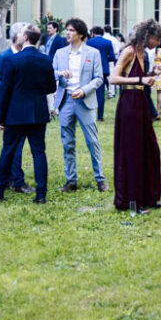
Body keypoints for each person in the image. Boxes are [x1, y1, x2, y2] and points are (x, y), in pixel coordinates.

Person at [0, 25, 56, 204]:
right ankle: (41, 193)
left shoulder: (13, 60)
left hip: (16, 113)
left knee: (8, 151)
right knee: (39, 153)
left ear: (25, 37)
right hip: (38, 112)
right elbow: (52, 87)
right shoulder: (45, 60)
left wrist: (1, 116)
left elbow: (5, 91)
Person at [108, 19, 161, 213]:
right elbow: (114, 78)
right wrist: (141, 78)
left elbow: (138, 78)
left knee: (149, 149)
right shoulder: (129, 51)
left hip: (141, 102)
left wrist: (150, 74)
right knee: (132, 152)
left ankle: (149, 196)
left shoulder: (144, 54)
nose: (159, 43)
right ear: (148, 36)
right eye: (157, 39)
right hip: (129, 104)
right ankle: (132, 201)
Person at [52, 18, 107, 192]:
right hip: (65, 101)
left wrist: (84, 90)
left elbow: (99, 78)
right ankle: (71, 180)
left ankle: (100, 179)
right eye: (67, 30)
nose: (67, 33)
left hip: (85, 101)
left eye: (71, 30)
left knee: (92, 141)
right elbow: (51, 73)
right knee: (67, 143)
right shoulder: (60, 53)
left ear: (81, 34)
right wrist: (59, 73)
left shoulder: (93, 53)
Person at [0, 22, 32, 193]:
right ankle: (17, 181)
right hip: (9, 106)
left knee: (14, 144)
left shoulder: (26, 56)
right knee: (15, 144)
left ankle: (8, 179)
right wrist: (13, 88)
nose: (27, 37)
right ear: (17, 37)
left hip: (24, 106)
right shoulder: (4, 56)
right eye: (24, 34)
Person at [87, 26, 116, 121]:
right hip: (103, 69)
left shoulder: (89, 42)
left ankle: (89, 114)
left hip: (91, 69)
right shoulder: (108, 42)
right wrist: (104, 59)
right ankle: (100, 116)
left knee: (89, 92)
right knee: (101, 94)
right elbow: (112, 57)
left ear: (93, 33)